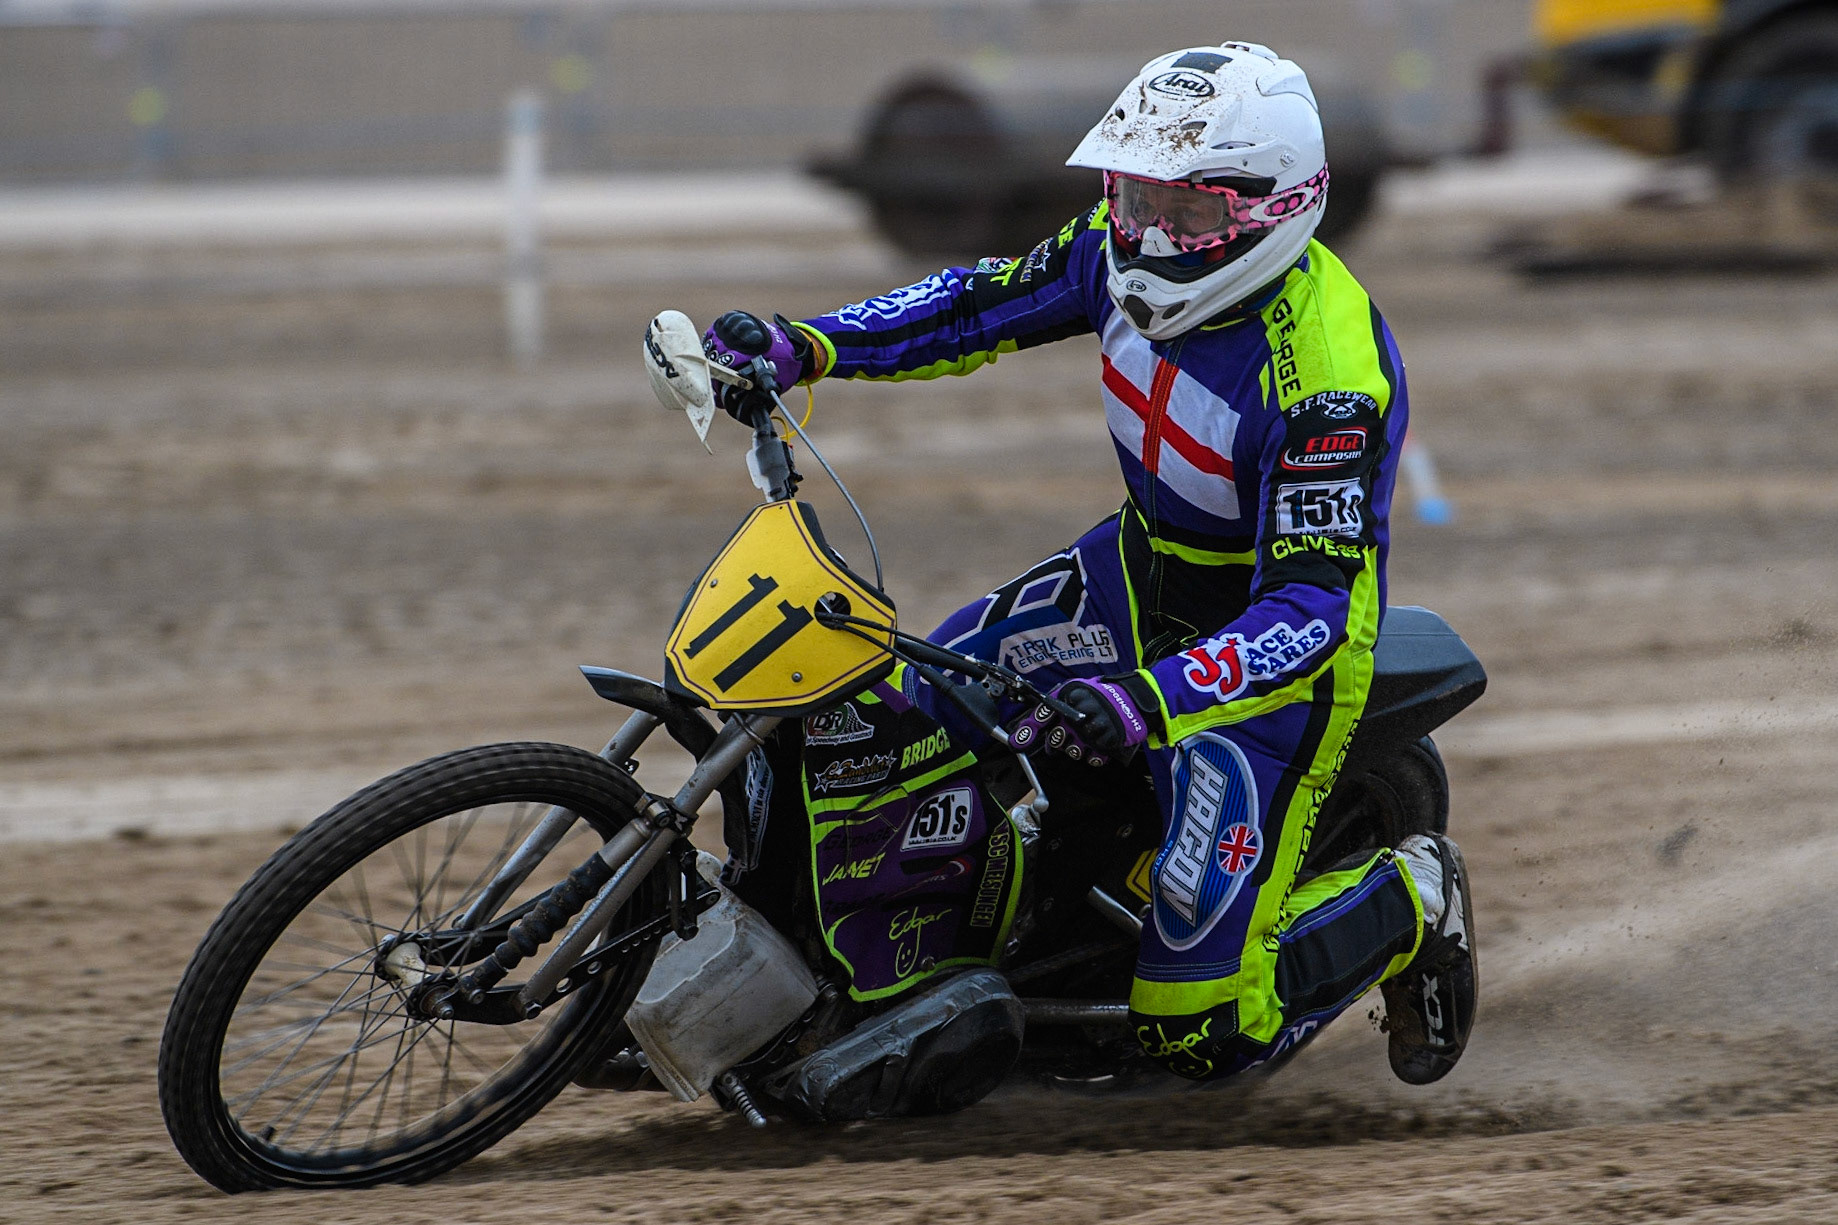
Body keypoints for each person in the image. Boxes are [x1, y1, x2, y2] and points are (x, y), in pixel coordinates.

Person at [699, 42, 1476, 1085]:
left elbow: (1308, 609)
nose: (1151, 235)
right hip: (1129, 571)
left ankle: (1410, 894)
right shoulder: (1116, 248)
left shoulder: (1324, 384)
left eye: (1187, 214)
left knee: (1199, 1031)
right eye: (1134, 196)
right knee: (891, 707)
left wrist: (1148, 702)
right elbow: (976, 304)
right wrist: (806, 345)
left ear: (1271, 209)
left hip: (1261, 663)